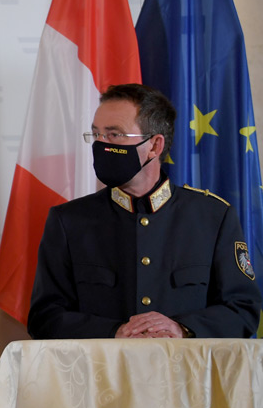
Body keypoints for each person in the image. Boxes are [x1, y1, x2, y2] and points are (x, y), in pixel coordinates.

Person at [28, 83, 260, 339]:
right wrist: (114, 331)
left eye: (114, 134)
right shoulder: (68, 221)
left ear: (154, 146)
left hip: (186, 376)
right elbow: (44, 317)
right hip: (102, 375)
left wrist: (181, 328)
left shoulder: (213, 217)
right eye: (96, 134)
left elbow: (243, 310)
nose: (101, 144)